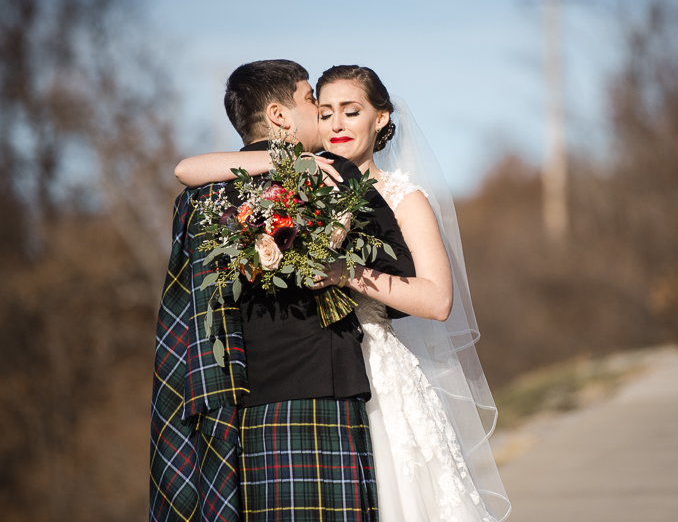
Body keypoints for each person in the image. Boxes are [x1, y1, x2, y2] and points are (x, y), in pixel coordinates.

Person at [175, 65, 512, 522]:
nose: (334, 124)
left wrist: (345, 271)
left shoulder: (400, 196)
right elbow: (187, 169)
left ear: (380, 119)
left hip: (377, 370)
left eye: (350, 112)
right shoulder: (306, 176)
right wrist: (289, 164)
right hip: (331, 372)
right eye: (324, 109)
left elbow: (437, 300)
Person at [150, 60, 417, 522]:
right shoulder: (330, 175)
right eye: (311, 99)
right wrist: (341, 272)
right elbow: (400, 275)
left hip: (228, 409)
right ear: (279, 116)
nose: (322, 113)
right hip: (321, 397)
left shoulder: (201, 197)